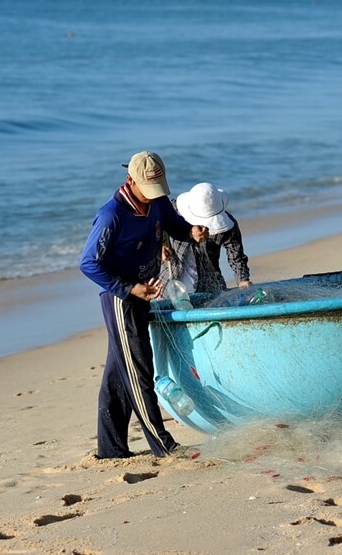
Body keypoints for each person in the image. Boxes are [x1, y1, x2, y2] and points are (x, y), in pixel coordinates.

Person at [79, 151, 208, 459]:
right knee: (139, 373)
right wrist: (129, 288)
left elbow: (174, 224)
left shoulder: (158, 202)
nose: (153, 198)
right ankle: (163, 446)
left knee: (118, 373)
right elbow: (88, 264)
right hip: (121, 299)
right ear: (130, 181)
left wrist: (191, 232)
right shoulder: (112, 216)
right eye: (147, 192)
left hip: (145, 292)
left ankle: (110, 449)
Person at [160, 182, 252, 293]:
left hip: (210, 284)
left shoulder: (227, 225)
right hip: (171, 282)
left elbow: (236, 256)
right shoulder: (171, 211)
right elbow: (151, 226)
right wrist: (162, 245)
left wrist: (242, 279)